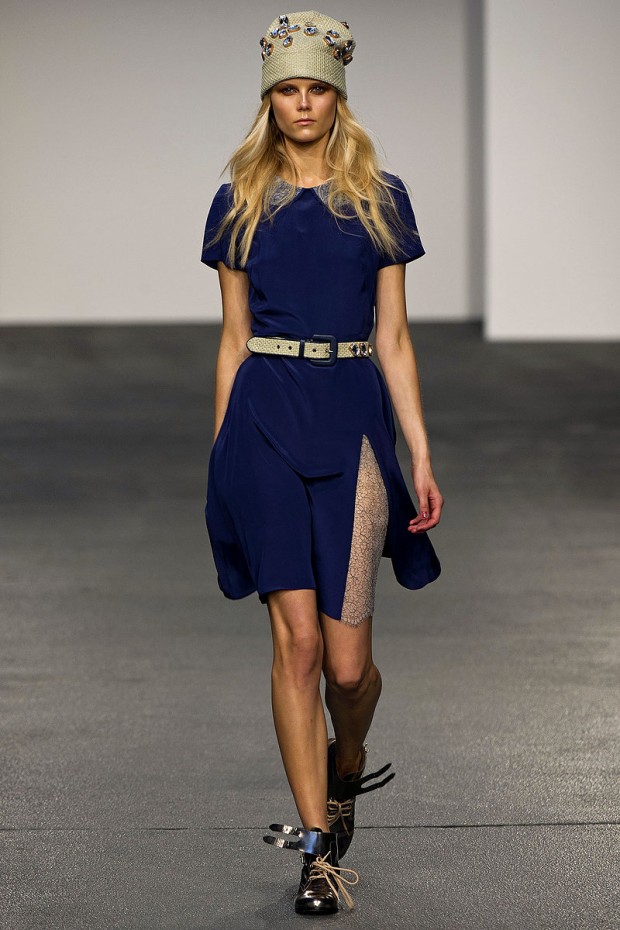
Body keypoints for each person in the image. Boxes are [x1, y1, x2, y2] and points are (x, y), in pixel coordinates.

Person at [200, 9, 443, 916]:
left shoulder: (380, 197)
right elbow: (233, 340)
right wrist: (222, 453)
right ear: (269, 100)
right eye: (288, 90)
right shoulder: (239, 200)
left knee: (347, 670)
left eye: (317, 90)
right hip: (263, 422)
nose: (303, 104)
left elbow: (395, 338)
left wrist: (420, 450)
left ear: (339, 98)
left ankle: (349, 764)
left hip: (353, 430)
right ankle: (316, 852)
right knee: (297, 646)